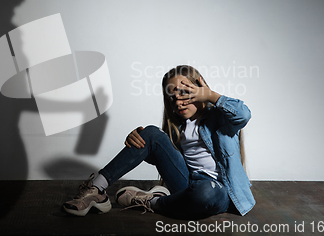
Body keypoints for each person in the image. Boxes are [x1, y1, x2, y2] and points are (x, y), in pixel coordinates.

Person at [62, 65, 255, 219]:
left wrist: (211, 96)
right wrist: (139, 140)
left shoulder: (221, 119)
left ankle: (153, 202)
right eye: (172, 97)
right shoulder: (178, 129)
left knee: (205, 192)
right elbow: (163, 157)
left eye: (184, 92)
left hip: (219, 191)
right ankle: (97, 189)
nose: (178, 102)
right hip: (188, 185)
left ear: (199, 89)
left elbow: (244, 114)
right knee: (151, 133)